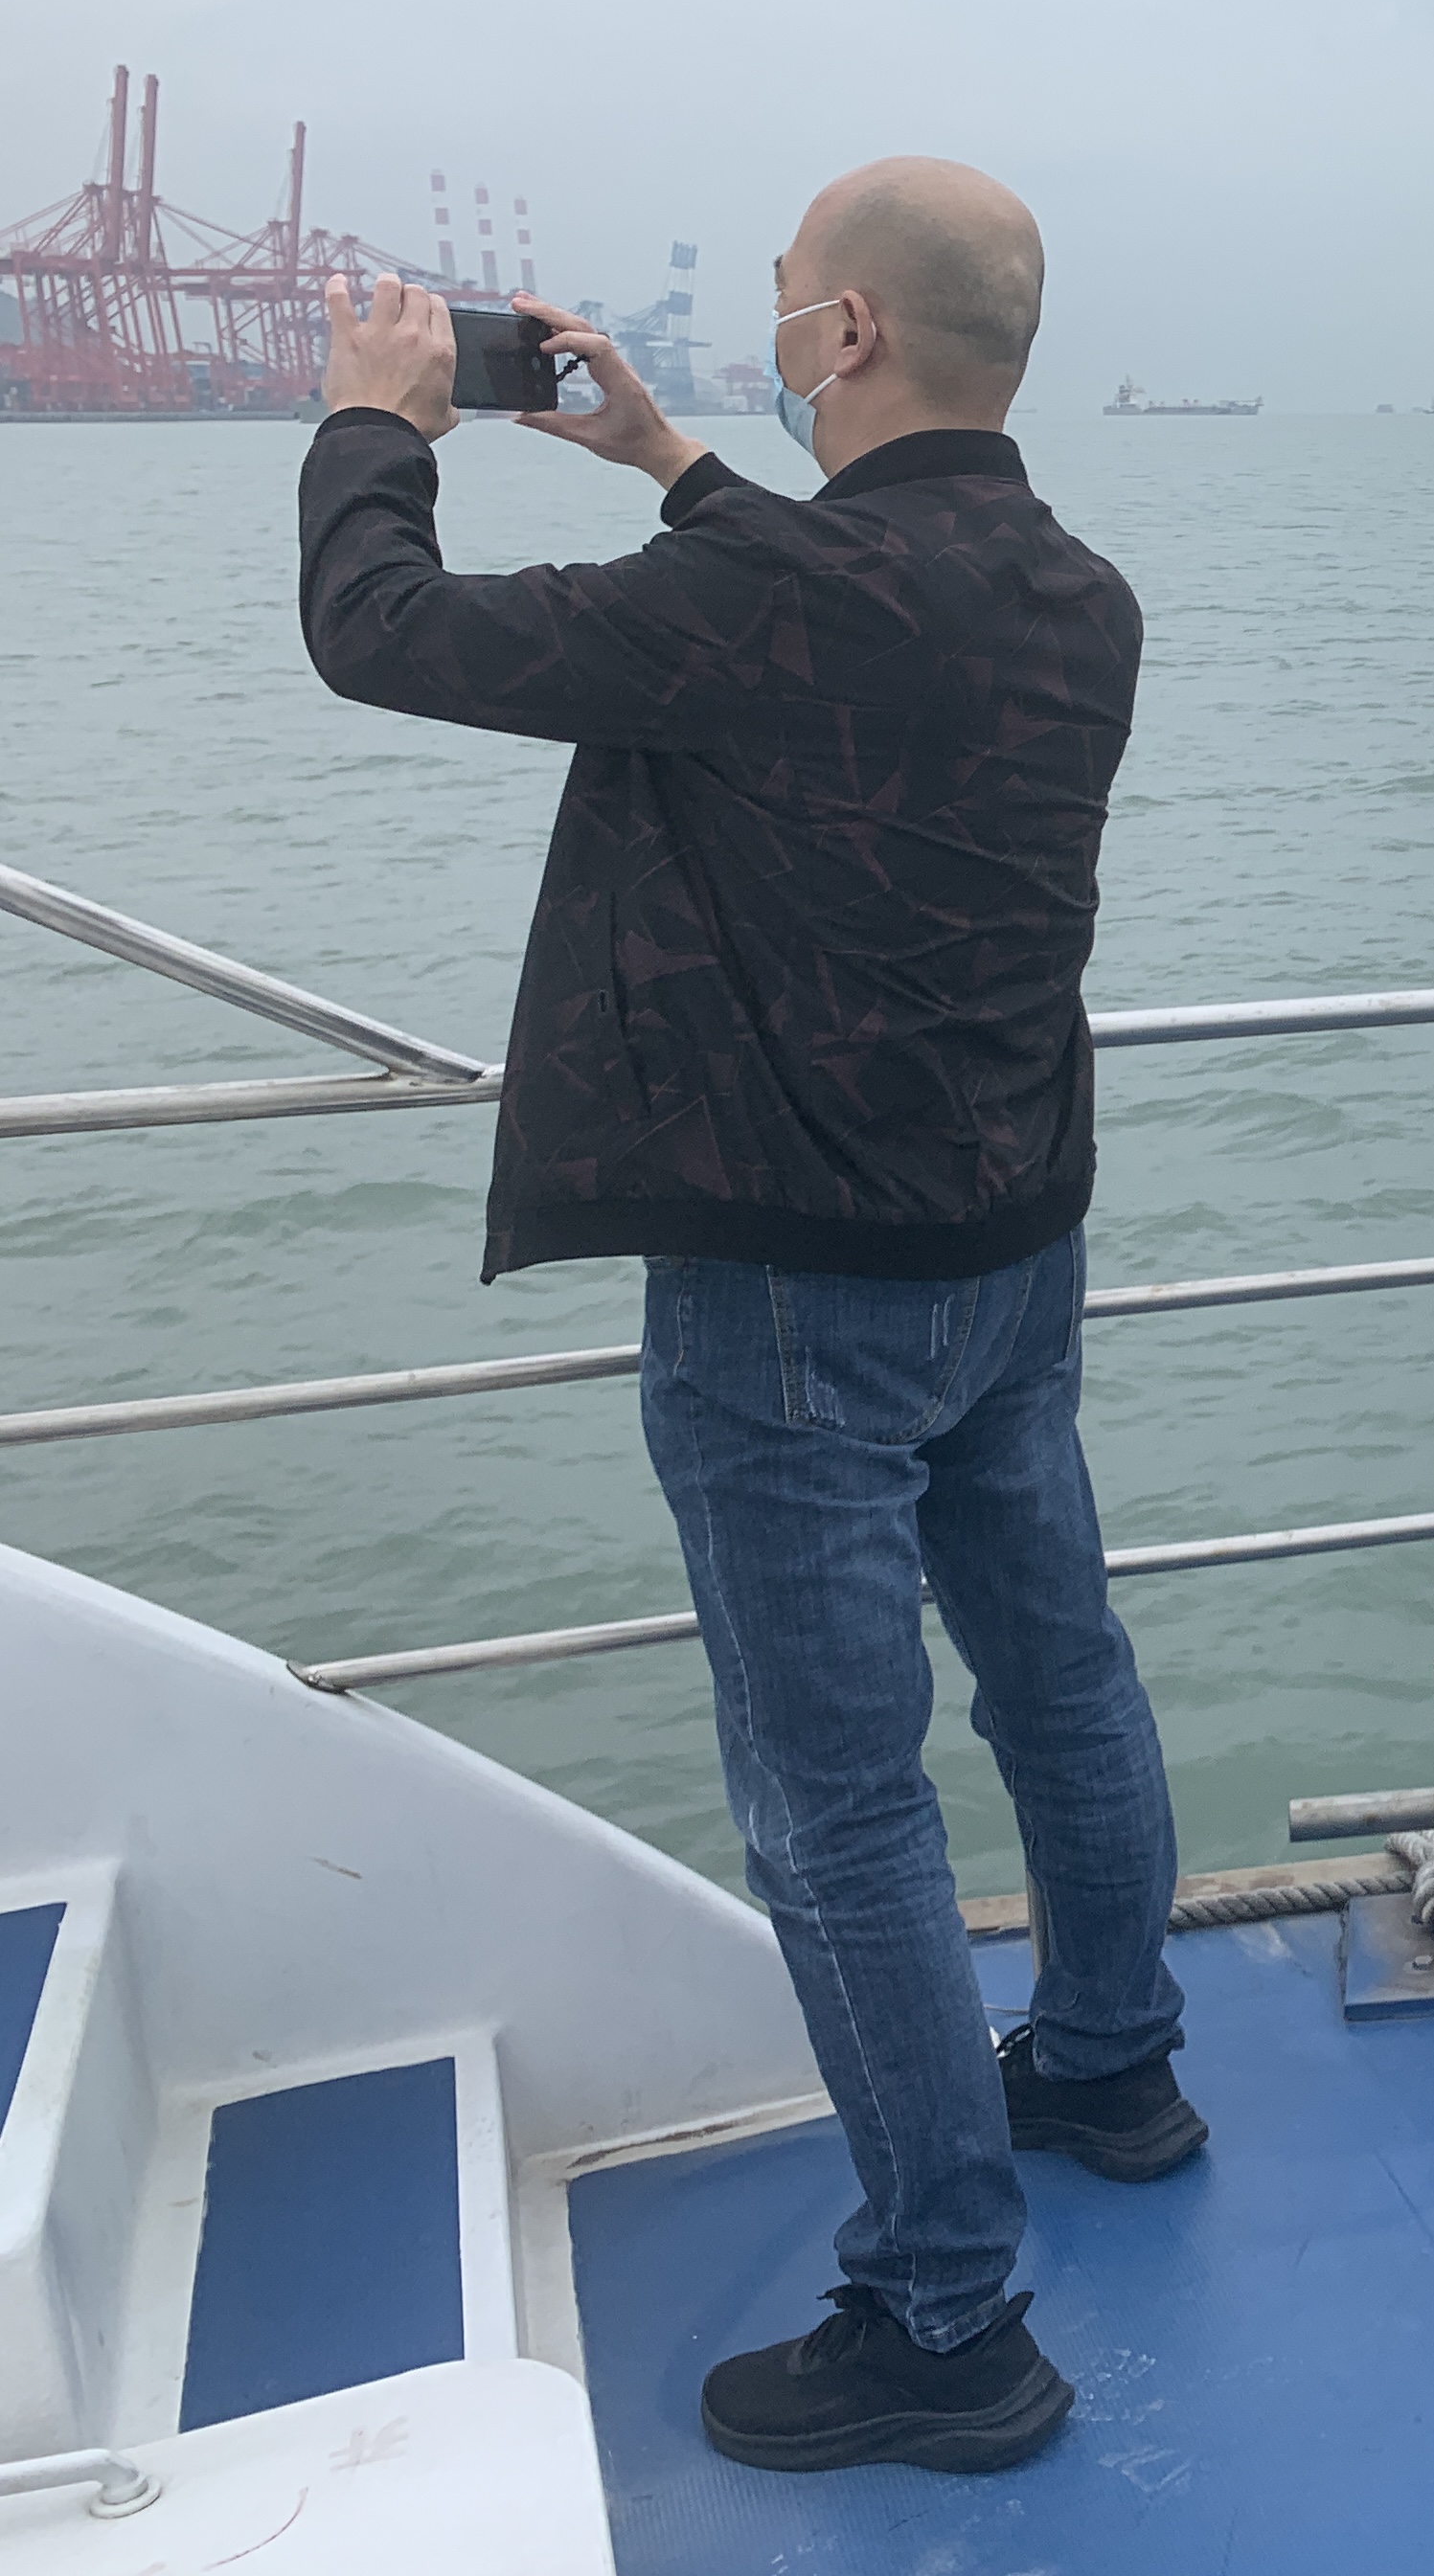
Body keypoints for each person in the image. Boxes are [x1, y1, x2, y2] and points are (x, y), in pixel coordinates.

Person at [297, 161, 1194, 2478]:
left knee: (838, 1801)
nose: (778, 332)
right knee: (1060, 1670)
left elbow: (381, 631)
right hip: (1010, 1246)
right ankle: (1114, 2064)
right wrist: (670, 460)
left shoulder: (762, 604)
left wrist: (380, 420)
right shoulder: (1077, 594)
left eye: (793, 302)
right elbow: (836, 600)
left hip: (794, 1290)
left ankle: (945, 2317)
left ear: (849, 337)